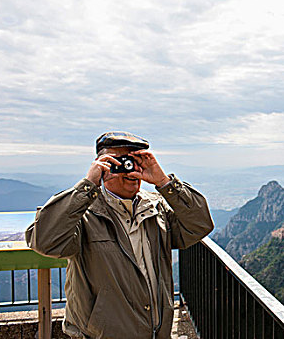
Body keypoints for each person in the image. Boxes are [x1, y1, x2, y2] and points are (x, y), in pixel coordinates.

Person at [26, 131, 214, 339]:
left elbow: (200, 225)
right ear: (102, 165)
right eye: (120, 161)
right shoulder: (83, 214)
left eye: (135, 161)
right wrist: (88, 185)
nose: (129, 169)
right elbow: (44, 242)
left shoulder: (156, 209)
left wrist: (164, 182)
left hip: (156, 333)